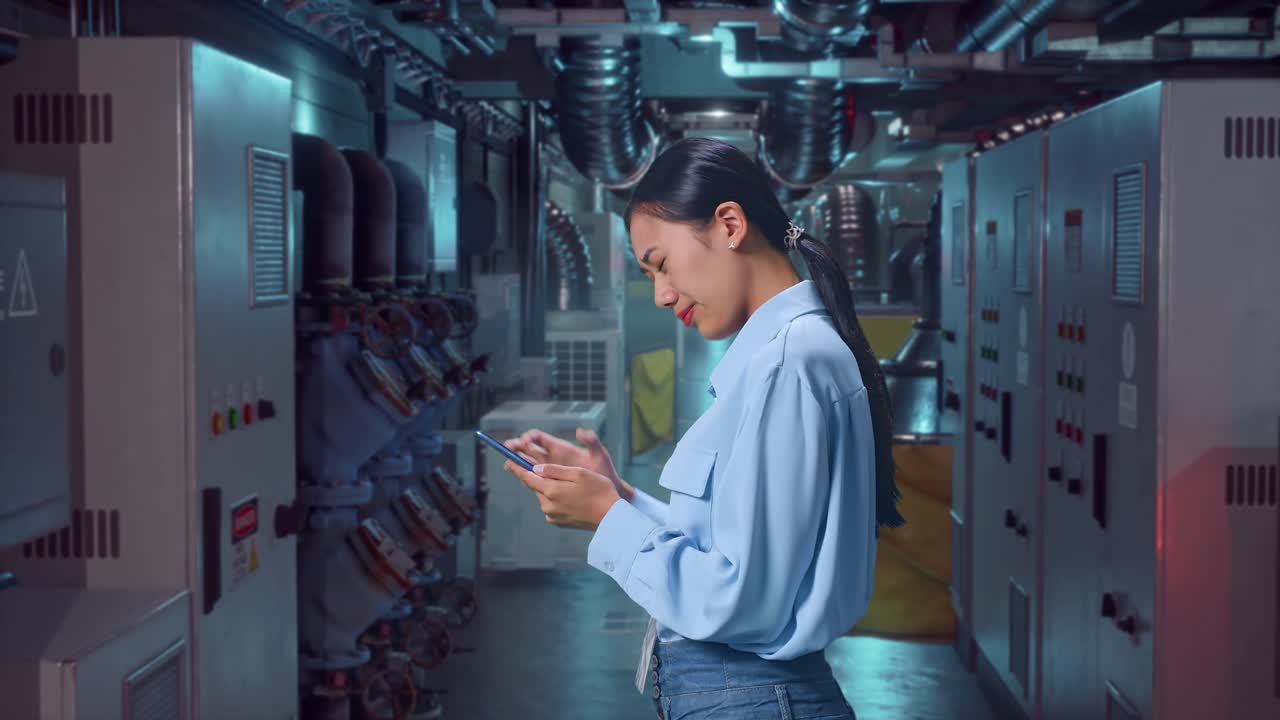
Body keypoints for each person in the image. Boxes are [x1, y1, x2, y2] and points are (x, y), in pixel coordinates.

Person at [501, 136, 905, 720]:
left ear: (730, 224)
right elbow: (733, 549)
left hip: (753, 697)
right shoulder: (781, 355)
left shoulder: (790, 361)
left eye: (660, 264)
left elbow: (742, 600)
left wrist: (605, 519)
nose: (662, 295)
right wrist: (619, 497)